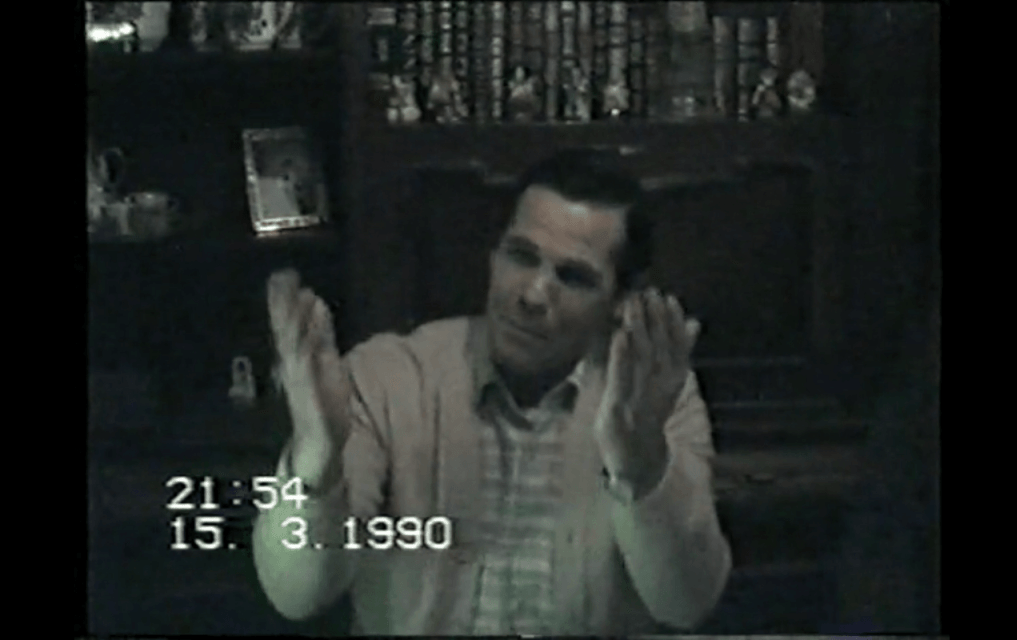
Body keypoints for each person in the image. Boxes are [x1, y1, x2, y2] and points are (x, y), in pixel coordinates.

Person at [252, 150, 733, 635]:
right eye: (521, 256)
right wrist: (316, 458)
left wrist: (641, 464)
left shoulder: (650, 397)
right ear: (493, 256)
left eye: (573, 277)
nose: (533, 295)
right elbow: (297, 594)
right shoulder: (387, 376)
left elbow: (686, 604)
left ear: (619, 302)